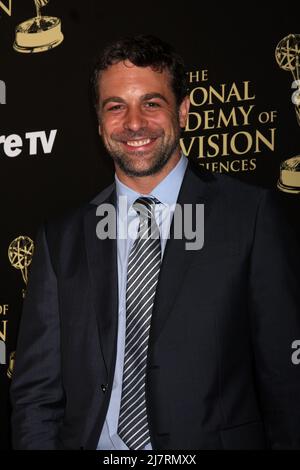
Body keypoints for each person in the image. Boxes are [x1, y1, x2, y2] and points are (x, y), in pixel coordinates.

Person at [10, 34, 300, 450]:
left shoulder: (250, 216)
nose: (133, 123)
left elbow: (287, 382)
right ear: (98, 120)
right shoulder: (62, 237)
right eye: (116, 107)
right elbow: (36, 394)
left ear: (182, 109)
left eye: (151, 103)